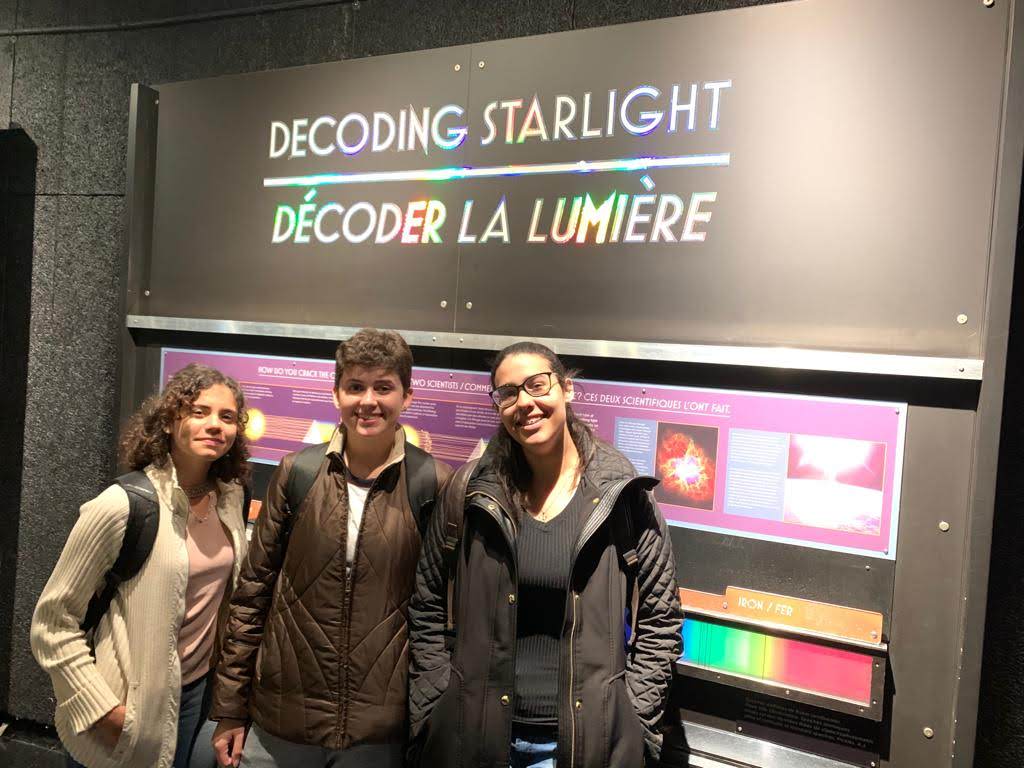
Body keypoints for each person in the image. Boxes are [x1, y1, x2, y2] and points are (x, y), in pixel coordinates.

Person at [408, 341, 683, 767]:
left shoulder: (622, 495)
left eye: (537, 385)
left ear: (566, 388)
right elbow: (426, 603)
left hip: (582, 745)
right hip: (474, 738)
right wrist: (435, 705)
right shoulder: (470, 491)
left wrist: (632, 719)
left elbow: (660, 618)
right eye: (508, 393)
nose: (524, 403)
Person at [209, 328, 451, 768]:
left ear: (407, 396)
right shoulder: (297, 472)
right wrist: (230, 708)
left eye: (383, 387)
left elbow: (439, 611)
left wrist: (429, 717)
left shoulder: (432, 483)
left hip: (377, 733)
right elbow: (252, 593)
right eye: (355, 386)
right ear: (336, 393)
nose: (368, 401)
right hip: (281, 722)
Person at [31, 364, 251, 768]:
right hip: (127, 704)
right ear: (168, 421)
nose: (215, 425)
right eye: (199, 411)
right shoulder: (122, 505)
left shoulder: (232, 498)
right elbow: (52, 624)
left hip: (198, 696)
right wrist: (100, 710)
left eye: (227, 416)